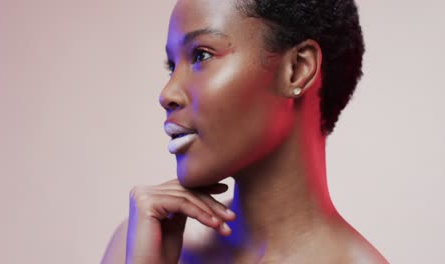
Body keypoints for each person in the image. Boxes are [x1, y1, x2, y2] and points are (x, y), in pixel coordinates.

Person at [102, 0, 389, 263]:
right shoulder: (143, 245)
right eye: (172, 66)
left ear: (296, 69)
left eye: (201, 55)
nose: (167, 94)